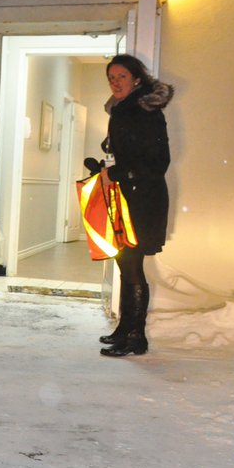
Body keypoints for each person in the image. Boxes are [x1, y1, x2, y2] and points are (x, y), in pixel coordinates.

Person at [92, 54, 174, 357]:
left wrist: (117, 172)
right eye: (111, 77)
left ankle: (136, 337)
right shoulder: (124, 111)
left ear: (137, 79)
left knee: (132, 265)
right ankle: (126, 329)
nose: (115, 82)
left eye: (121, 76)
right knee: (125, 264)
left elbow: (157, 162)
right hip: (129, 196)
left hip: (142, 199)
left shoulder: (144, 111)